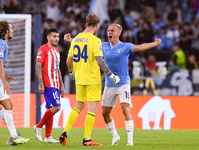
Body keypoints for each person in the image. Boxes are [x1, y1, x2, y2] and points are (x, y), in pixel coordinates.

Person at [64, 23, 161, 146]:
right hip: (109, 84)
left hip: (123, 82)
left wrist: (154, 44)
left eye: (113, 30)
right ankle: (115, 136)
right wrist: (71, 40)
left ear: (119, 33)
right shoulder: (103, 46)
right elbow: (86, 44)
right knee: (105, 112)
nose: (109, 32)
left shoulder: (125, 46)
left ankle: (130, 141)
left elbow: (140, 47)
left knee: (125, 108)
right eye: (109, 30)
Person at [59, 14, 120, 146]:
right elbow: (99, 61)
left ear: (86, 24)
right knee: (92, 109)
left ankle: (65, 133)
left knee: (78, 106)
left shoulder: (76, 39)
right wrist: (111, 75)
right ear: (97, 25)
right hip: (92, 78)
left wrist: (71, 73)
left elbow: (68, 60)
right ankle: (87, 139)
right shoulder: (95, 40)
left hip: (79, 78)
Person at [0, 20, 30, 145]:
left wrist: (4, 76)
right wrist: (4, 82)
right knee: (8, 106)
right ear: (6, 31)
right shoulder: (2, 43)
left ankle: (13, 136)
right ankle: (14, 136)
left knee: (3, 107)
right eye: (11, 29)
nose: (12, 31)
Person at [33, 28, 65, 143]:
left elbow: (58, 69)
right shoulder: (43, 49)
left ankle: (48, 137)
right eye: (54, 36)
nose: (56, 38)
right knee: (56, 107)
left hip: (56, 84)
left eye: (57, 36)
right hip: (47, 84)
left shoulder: (56, 51)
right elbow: (38, 66)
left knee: (50, 108)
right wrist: (40, 84)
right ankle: (38, 126)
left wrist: (62, 85)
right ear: (48, 37)